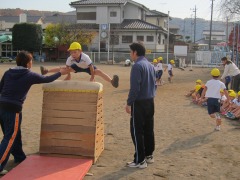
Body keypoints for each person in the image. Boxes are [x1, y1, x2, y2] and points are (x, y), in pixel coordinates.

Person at [0, 51, 68, 175]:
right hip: (13, 108)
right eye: (31, 61)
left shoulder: (8, 72)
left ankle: (19, 157)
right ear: (28, 63)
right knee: (9, 137)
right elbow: (47, 79)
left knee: (14, 134)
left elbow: (0, 88)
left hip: (2, 106)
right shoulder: (28, 75)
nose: (32, 63)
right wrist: (60, 72)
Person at [125, 42, 156, 169]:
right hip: (150, 101)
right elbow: (155, 85)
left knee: (136, 131)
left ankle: (140, 160)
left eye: (130, 52)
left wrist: (129, 103)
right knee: (149, 129)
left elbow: (134, 88)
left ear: (135, 52)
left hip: (140, 103)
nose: (130, 54)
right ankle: (149, 155)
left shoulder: (137, 66)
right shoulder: (150, 65)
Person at [40, 42, 119, 88]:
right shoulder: (70, 58)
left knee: (99, 71)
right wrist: (68, 75)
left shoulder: (85, 57)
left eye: (75, 52)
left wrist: (92, 77)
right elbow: (67, 68)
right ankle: (46, 71)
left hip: (88, 68)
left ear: (80, 51)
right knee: (62, 68)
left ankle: (112, 81)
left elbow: (91, 67)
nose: (73, 54)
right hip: (77, 66)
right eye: (71, 52)